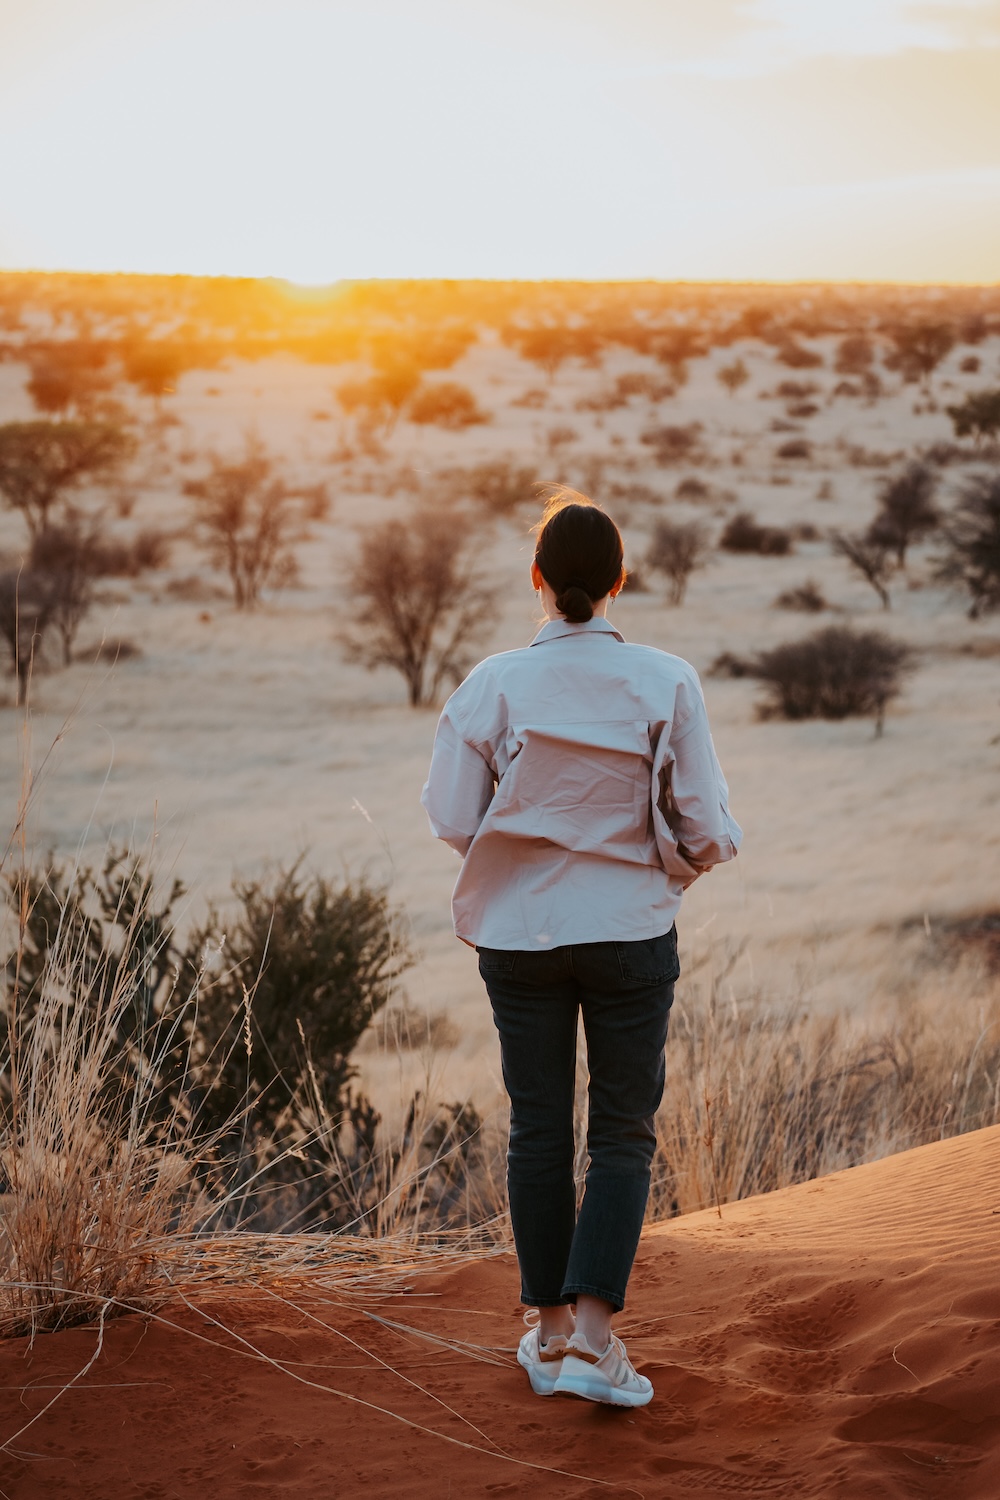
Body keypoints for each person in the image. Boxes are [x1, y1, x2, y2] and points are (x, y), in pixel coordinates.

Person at [421, 491, 741, 1408]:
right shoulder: (666, 680)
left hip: (519, 937)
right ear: (618, 581)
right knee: (622, 1134)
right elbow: (707, 828)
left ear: (536, 578)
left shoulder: (492, 685)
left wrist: (518, 853)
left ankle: (550, 1334)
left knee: (538, 1128)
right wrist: (678, 865)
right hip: (631, 934)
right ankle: (596, 1344)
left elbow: (450, 815)